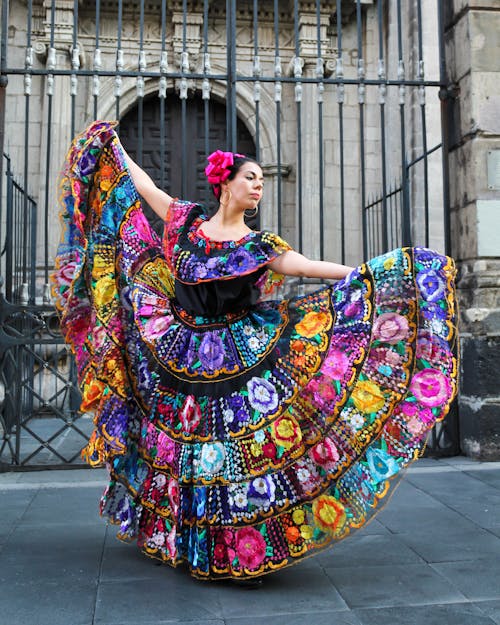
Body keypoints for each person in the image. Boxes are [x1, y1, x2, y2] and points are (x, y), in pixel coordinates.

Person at [52, 120, 458, 585]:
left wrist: (369, 276)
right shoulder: (184, 222)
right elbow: (144, 186)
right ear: (225, 184)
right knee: (187, 452)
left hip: (239, 357)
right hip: (177, 352)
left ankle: (239, 552)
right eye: (251, 177)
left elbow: (305, 266)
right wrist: (114, 145)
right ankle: (191, 544)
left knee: (233, 455)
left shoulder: (259, 245)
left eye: (263, 180)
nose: (259, 185)